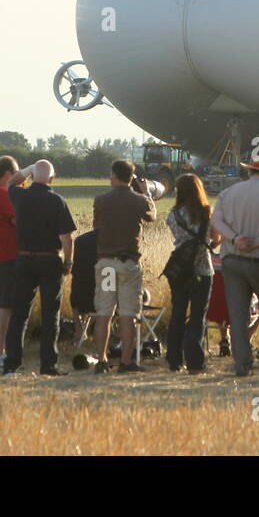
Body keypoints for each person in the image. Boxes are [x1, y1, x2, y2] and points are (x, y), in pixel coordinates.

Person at [210, 156, 259, 376]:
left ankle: (243, 363)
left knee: (237, 313)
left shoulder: (228, 193)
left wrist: (235, 239)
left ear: (250, 172)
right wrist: (258, 242)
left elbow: (217, 221)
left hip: (232, 260)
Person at [3, 159, 76, 376]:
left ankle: (12, 363)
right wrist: (69, 261)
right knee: (50, 313)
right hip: (50, 260)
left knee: (19, 314)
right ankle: (48, 365)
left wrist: (28, 169)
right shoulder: (57, 201)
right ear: (52, 179)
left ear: (33, 177)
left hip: (24, 260)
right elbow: (66, 237)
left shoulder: (20, 196)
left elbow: (12, 182)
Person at [93, 159, 157, 373]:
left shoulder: (101, 200)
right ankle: (126, 361)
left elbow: (96, 226)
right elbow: (152, 217)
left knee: (105, 312)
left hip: (107, 263)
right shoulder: (139, 201)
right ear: (132, 177)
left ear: (114, 175)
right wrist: (146, 193)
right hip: (128, 263)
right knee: (128, 314)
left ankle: (101, 360)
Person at [0, 156, 33, 371]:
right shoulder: (2, 193)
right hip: (6, 255)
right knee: (4, 307)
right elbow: (19, 217)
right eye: (18, 174)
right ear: (9, 174)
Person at [165, 174, 214, 373]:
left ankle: (174, 360)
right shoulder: (206, 213)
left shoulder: (173, 215)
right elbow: (215, 240)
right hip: (202, 270)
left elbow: (178, 237)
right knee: (197, 316)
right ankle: (195, 362)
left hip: (180, 270)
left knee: (177, 313)